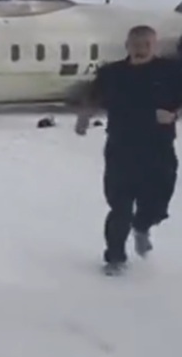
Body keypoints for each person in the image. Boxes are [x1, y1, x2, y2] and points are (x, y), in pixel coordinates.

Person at [75, 25, 182, 275]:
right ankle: (115, 258)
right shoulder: (112, 73)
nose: (140, 49)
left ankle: (143, 225)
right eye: (136, 44)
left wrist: (174, 114)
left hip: (158, 149)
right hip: (121, 148)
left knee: (157, 203)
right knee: (120, 206)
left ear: (154, 45)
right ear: (127, 45)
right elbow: (92, 95)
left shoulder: (172, 71)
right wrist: (84, 116)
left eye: (146, 44)